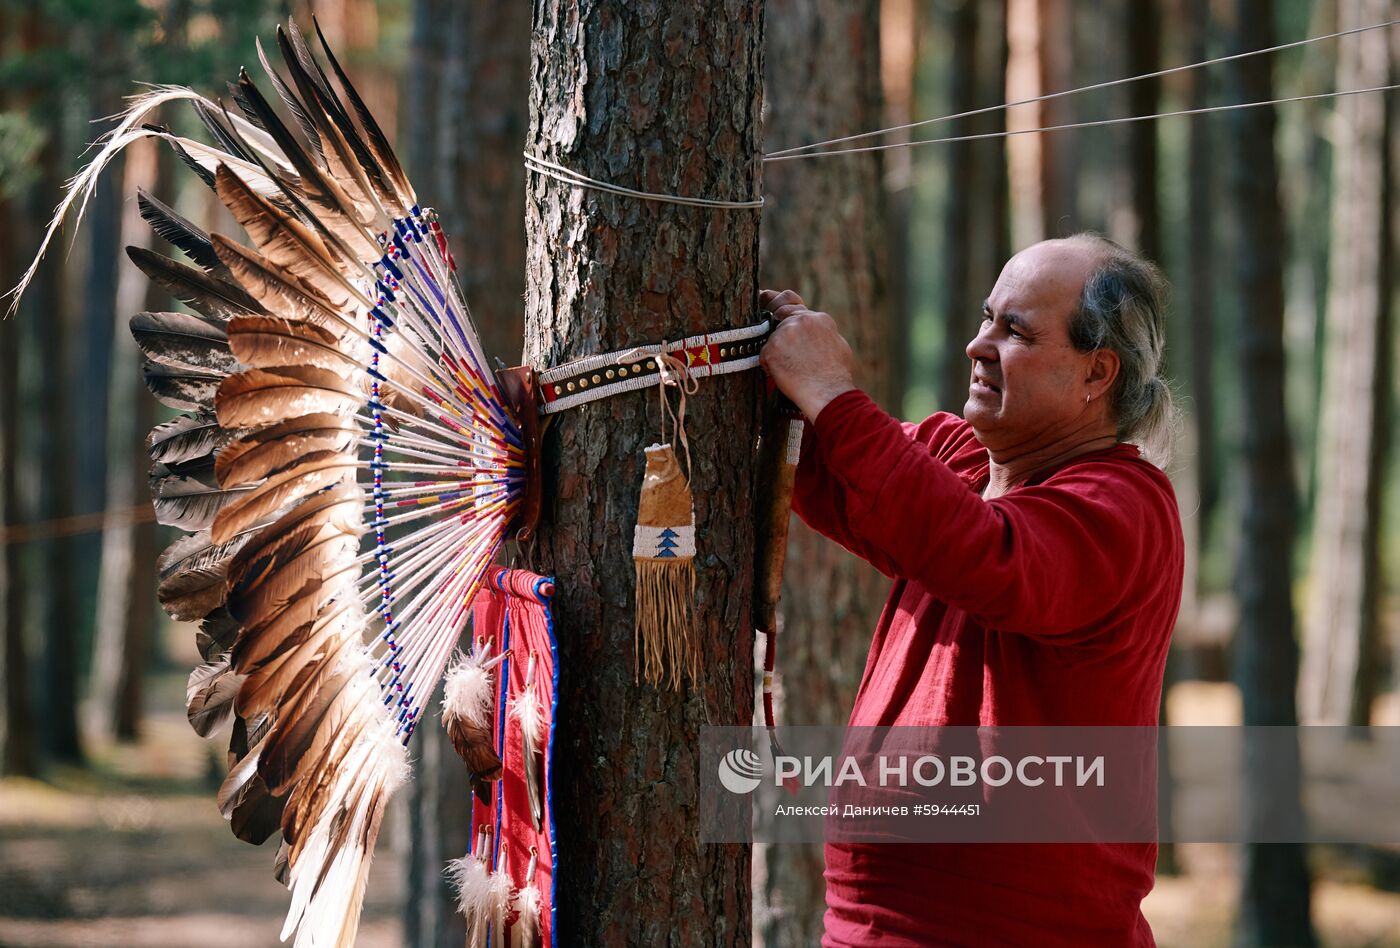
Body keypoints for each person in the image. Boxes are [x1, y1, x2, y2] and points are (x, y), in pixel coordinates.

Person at [758, 233, 1185, 947]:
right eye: (987, 318)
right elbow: (840, 474)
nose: (977, 345)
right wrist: (775, 369)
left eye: (1014, 330)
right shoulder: (965, 463)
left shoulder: (1125, 505)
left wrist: (832, 392)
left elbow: (985, 554)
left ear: (1096, 374)